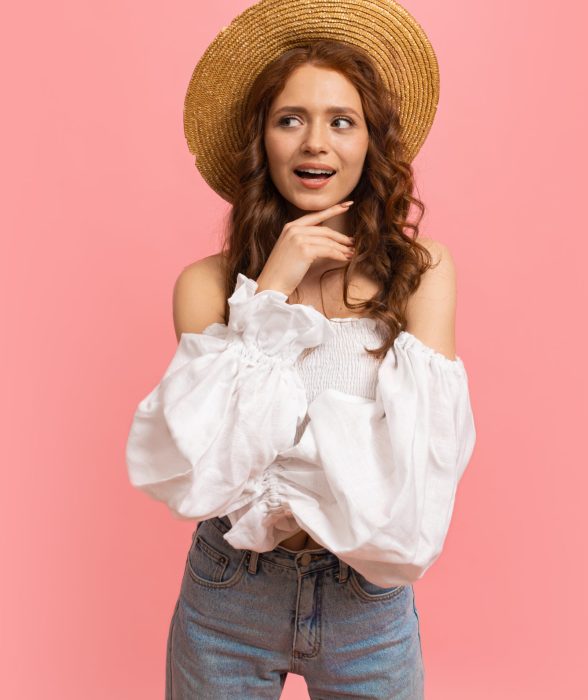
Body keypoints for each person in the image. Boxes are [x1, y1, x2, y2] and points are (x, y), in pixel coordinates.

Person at [125, 0, 477, 697]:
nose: (316, 143)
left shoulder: (421, 273)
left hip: (367, 607)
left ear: (370, 142)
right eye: (291, 120)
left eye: (341, 122)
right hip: (229, 596)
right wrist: (272, 290)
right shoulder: (206, 285)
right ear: (263, 141)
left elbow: (420, 475)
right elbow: (209, 470)